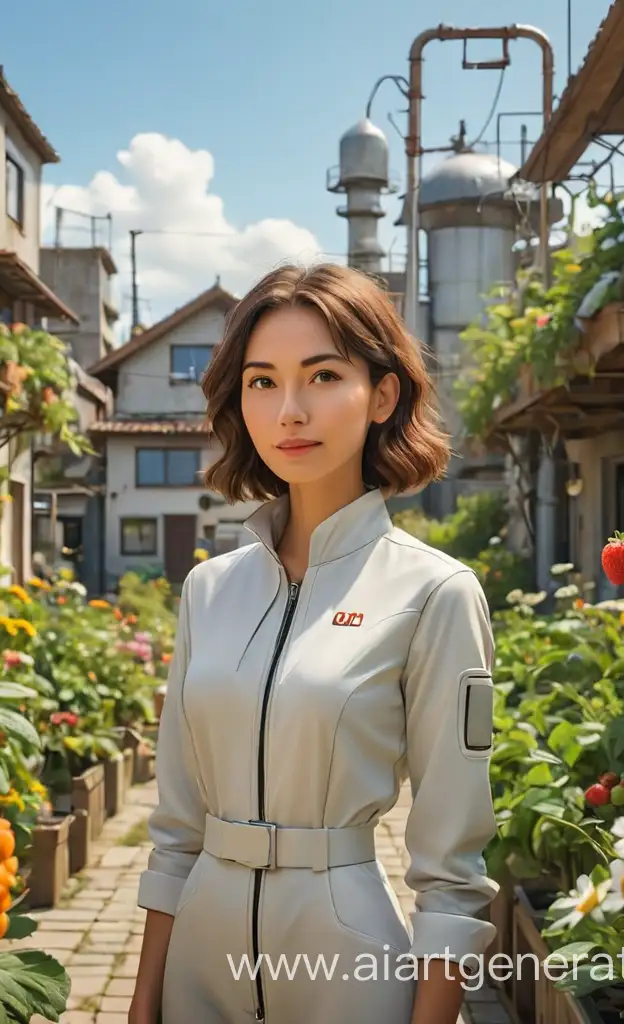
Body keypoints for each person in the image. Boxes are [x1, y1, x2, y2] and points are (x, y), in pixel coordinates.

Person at [130, 263, 499, 1024]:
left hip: (345, 960)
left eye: (323, 375)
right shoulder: (210, 590)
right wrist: (142, 1005)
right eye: (262, 382)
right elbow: (175, 829)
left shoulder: (434, 592)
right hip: (198, 961)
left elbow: (452, 868)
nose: (289, 411)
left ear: (383, 394)